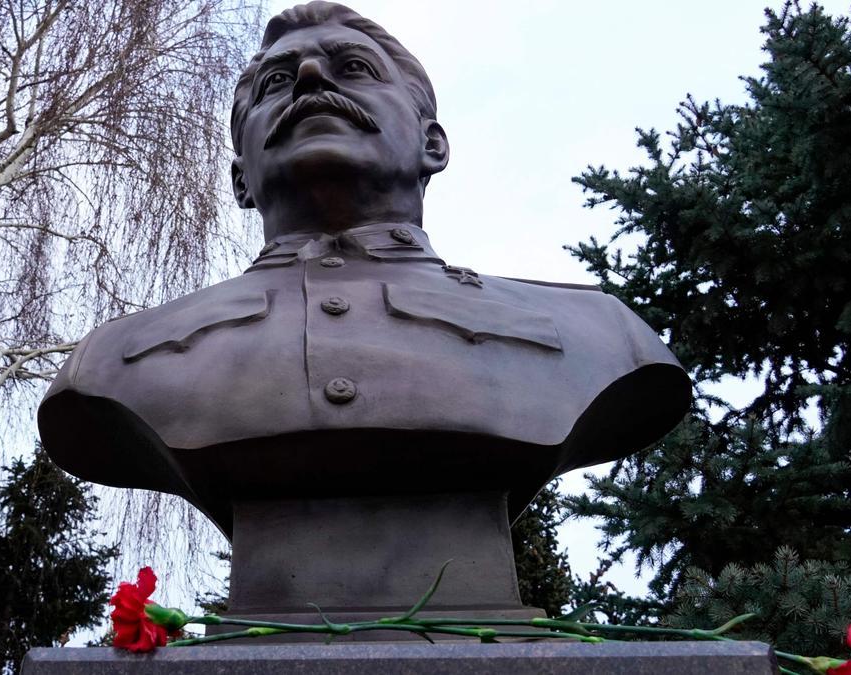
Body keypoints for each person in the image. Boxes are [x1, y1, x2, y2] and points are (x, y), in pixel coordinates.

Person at [38, 2, 690, 536]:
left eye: (353, 68)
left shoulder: (600, 334)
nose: (312, 79)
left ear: (432, 145)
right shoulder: (112, 360)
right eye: (276, 82)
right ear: (241, 179)